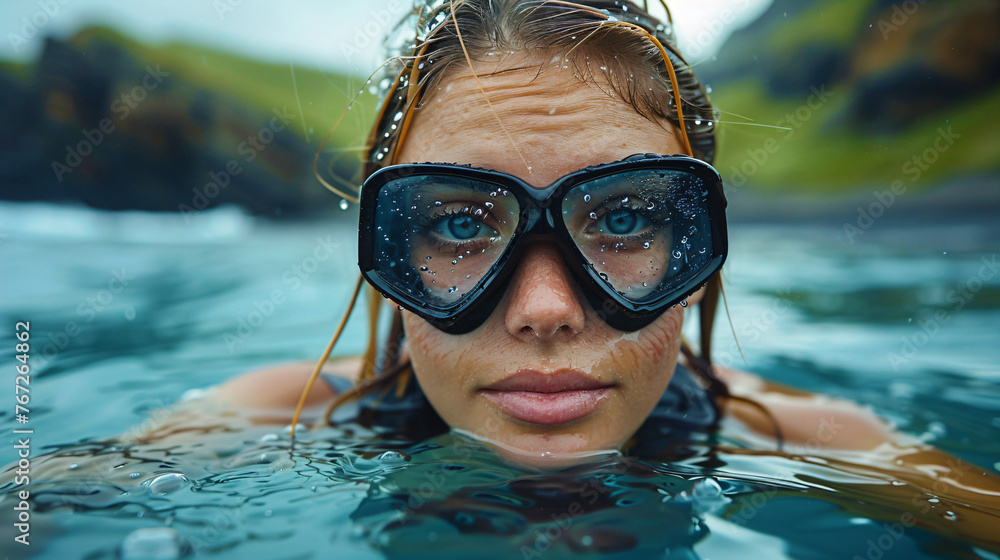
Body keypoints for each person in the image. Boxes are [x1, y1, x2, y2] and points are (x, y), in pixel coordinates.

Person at [215, 0, 896, 460]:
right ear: (392, 255)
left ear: (694, 251)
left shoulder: (820, 443)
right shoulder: (276, 416)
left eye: (624, 220)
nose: (546, 311)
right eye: (457, 224)